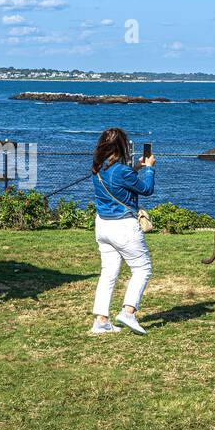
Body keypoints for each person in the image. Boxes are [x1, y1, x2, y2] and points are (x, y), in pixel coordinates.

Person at [89, 127, 156, 335]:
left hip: (102, 225)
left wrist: (135, 168)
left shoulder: (97, 168)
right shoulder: (121, 171)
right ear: (122, 146)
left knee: (108, 272)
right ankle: (128, 312)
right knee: (142, 268)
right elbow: (146, 189)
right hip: (123, 226)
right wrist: (150, 169)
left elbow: (117, 180)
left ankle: (101, 321)